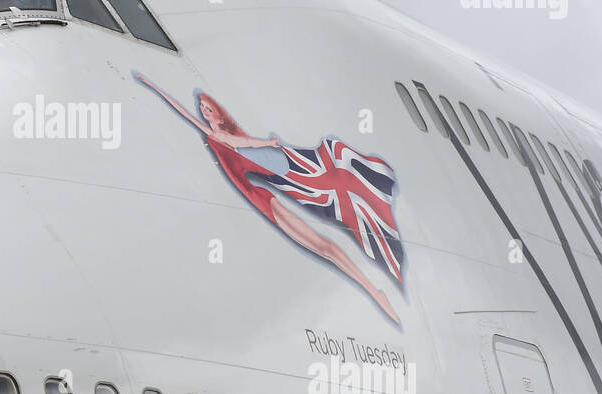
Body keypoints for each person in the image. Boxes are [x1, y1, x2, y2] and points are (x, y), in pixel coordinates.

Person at [134, 71, 402, 324]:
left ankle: (374, 291)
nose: (203, 112)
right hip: (254, 197)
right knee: (318, 247)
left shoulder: (226, 135)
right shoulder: (213, 134)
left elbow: (247, 144)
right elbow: (183, 111)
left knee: (323, 247)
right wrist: (154, 87)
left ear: (218, 113)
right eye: (202, 109)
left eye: (208, 108)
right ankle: (372, 290)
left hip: (260, 196)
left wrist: (269, 145)